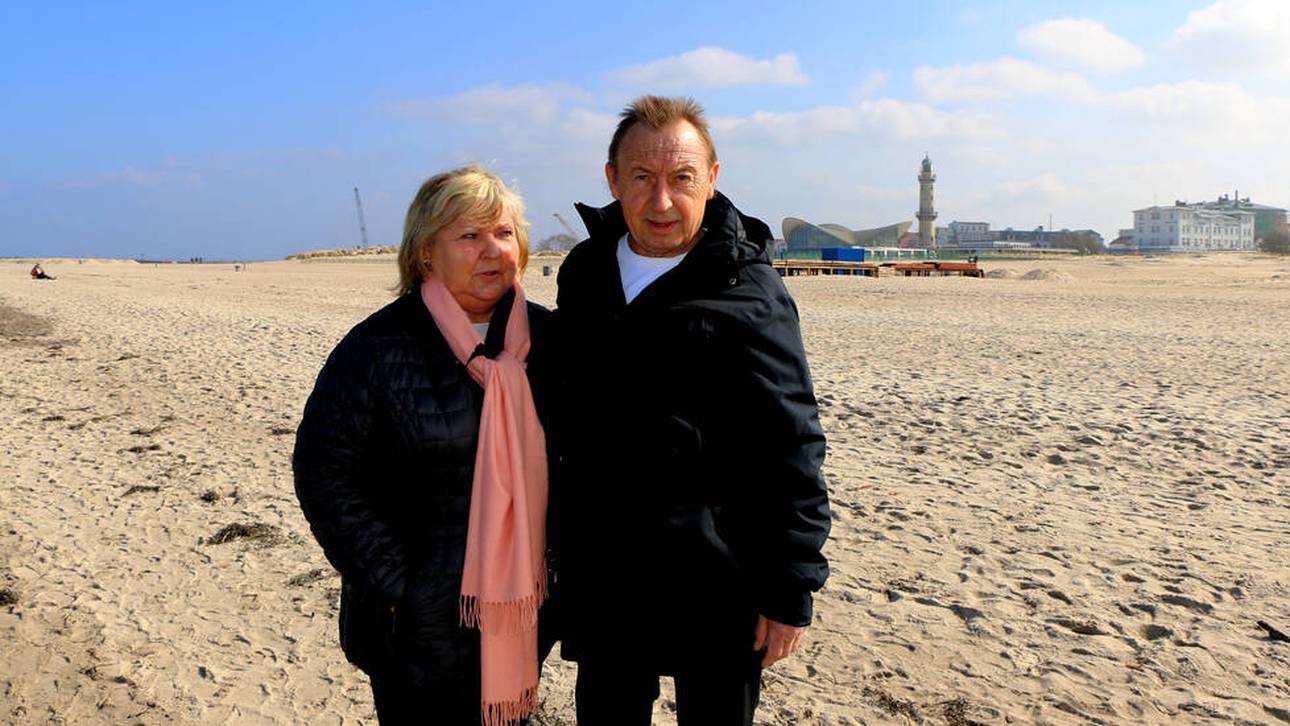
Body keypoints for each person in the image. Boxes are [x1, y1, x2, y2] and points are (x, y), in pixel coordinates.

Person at [552, 95, 831, 725]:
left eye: (681, 179)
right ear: (612, 180)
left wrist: (791, 588)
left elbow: (792, 441)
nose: (661, 202)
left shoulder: (748, 286)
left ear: (711, 178)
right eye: (642, 179)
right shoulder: (585, 270)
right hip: (607, 572)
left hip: (718, 577)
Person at [292, 165, 555, 725]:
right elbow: (325, 474)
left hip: (523, 617)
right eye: (469, 235)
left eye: (504, 234)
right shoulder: (378, 348)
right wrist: (399, 587)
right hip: (414, 629)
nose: (492, 251)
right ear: (426, 254)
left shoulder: (551, 342)